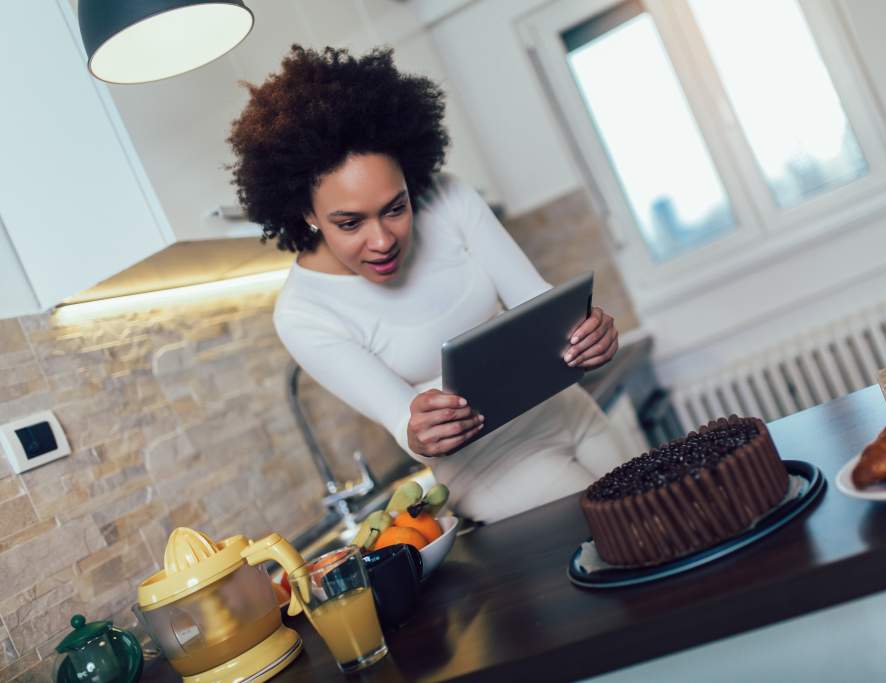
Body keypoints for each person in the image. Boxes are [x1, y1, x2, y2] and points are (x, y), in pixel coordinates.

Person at [228, 46, 628, 523]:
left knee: (671, 522)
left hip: (569, 410)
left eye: (395, 208)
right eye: (350, 223)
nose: (382, 240)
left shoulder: (448, 197)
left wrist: (588, 332)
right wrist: (419, 430)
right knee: (621, 544)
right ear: (306, 213)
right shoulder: (303, 313)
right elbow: (402, 420)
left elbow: (538, 302)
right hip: (490, 466)